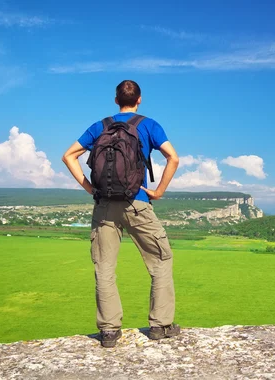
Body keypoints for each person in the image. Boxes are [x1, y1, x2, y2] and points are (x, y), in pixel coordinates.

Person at [62, 80, 180, 348]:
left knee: (104, 268)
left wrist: (89, 187)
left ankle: (109, 331)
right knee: (161, 260)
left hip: (104, 206)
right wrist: (159, 191)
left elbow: (69, 156)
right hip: (137, 203)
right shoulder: (149, 125)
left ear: (116, 101)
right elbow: (173, 157)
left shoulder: (100, 126)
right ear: (139, 100)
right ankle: (160, 326)